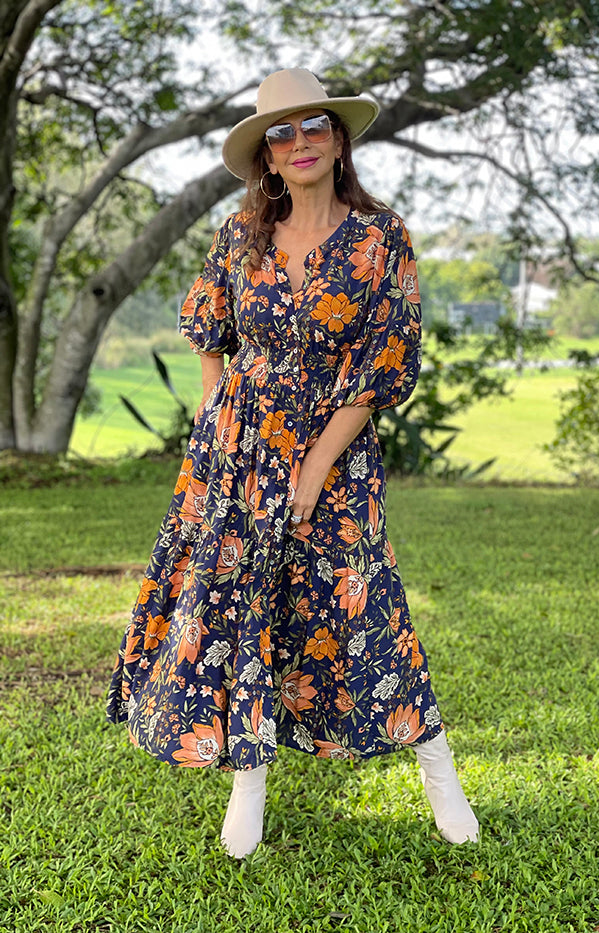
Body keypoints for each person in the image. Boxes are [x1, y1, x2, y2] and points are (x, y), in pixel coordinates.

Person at [106, 68, 479, 858]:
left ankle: (437, 764)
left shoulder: (382, 238)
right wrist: (215, 416)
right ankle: (249, 780)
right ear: (266, 157)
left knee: (364, 601)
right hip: (239, 448)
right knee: (245, 602)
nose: (299, 142)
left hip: (334, 448)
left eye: (314, 126)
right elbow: (211, 328)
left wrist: (312, 472)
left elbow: (383, 365)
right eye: (281, 134)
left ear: (338, 140)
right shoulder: (237, 238)